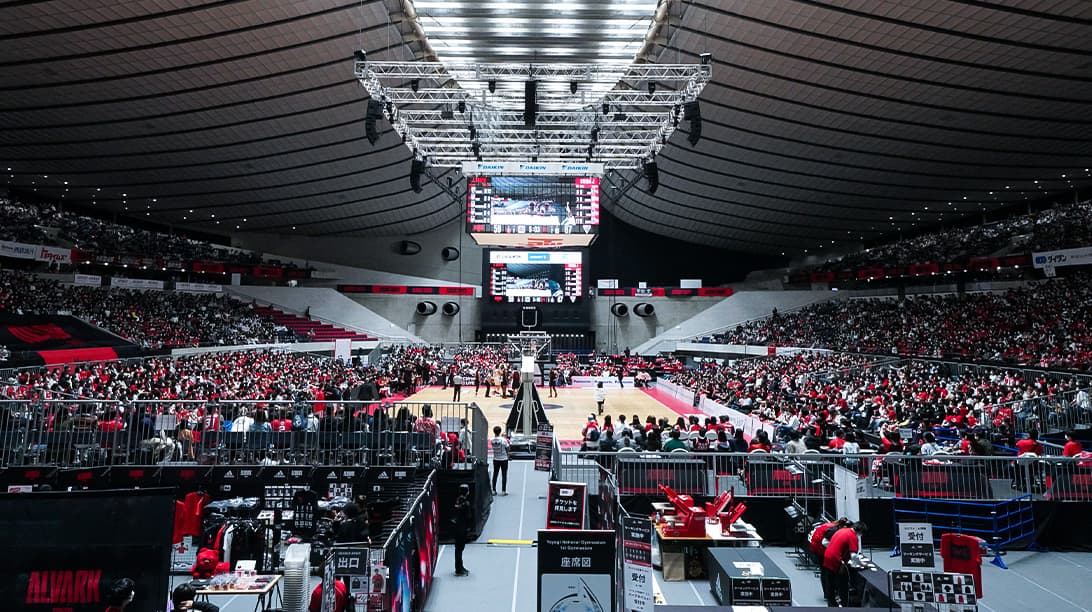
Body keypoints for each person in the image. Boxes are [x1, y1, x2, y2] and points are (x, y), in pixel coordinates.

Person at [821, 521, 866, 607]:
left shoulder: (842, 530)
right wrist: (861, 564)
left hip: (827, 556)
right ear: (860, 531)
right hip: (836, 560)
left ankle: (831, 605)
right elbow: (854, 556)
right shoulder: (853, 536)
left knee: (830, 582)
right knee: (843, 583)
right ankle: (844, 604)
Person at [453, 483, 472, 576]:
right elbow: (468, 517)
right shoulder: (466, 504)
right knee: (460, 549)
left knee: (458, 549)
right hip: (462, 529)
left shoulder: (457, 501)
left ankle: (459, 566)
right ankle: (459, 568)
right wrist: (468, 529)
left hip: (456, 529)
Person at [490, 425, 509, 495]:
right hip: (504, 459)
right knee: (504, 475)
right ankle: (503, 491)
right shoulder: (504, 440)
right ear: (500, 432)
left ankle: (493, 490)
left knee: (495, 474)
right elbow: (507, 448)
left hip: (496, 459)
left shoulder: (492, 440)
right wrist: (507, 454)